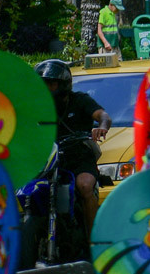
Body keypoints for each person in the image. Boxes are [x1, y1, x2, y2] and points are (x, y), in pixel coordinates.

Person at [36, 60, 109, 235]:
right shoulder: (37, 107)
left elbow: (102, 115)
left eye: (51, 84)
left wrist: (102, 126)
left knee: (84, 186)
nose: (46, 89)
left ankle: (94, 241)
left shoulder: (80, 100)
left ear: (63, 84)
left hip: (79, 157)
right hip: (50, 161)